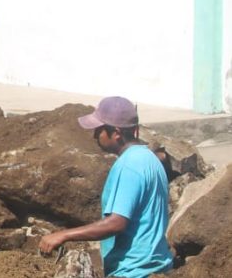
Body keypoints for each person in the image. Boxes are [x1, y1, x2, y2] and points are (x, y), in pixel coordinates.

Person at [39, 96, 173, 278]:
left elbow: (116, 223)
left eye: (99, 130)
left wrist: (62, 235)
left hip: (134, 270)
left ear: (116, 132)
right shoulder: (149, 158)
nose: (95, 136)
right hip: (156, 266)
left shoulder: (129, 166)